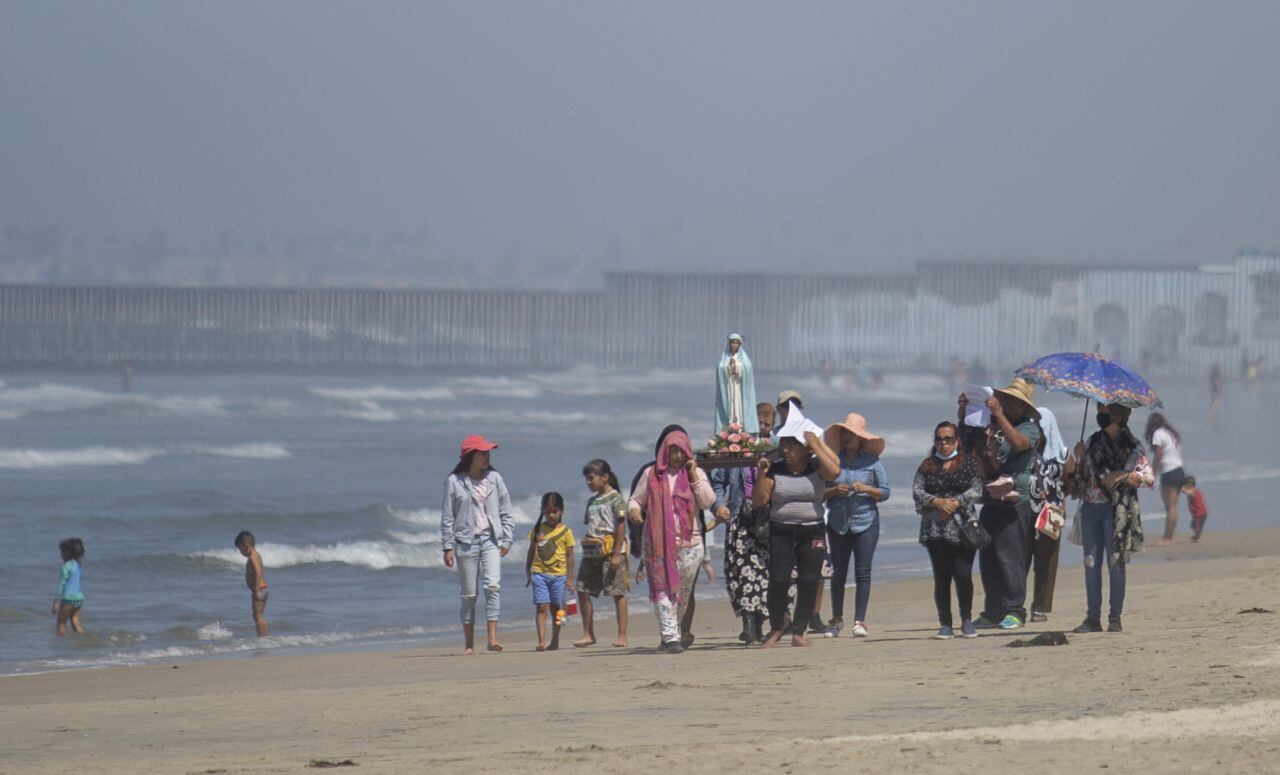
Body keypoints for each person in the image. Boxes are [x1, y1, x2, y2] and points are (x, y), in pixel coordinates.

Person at [959, 377, 1042, 630]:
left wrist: (998, 415)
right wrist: (964, 413)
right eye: (1005, 400)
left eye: (1012, 402)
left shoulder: (1030, 428)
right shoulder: (995, 426)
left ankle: (1015, 609)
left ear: (1024, 407)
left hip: (1018, 499)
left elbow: (1018, 443)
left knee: (1011, 555)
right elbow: (971, 444)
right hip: (993, 496)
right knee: (989, 556)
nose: (1006, 404)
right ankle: (993, 610)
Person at [752, 418, 841, 648]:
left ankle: (799, 631)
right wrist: (761, 474)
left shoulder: (816, 467)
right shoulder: (775, 468)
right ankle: (778, 624)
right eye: (784, 445)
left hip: (812, 531)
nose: (786, 450)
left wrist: (816, 444)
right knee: (778, 579)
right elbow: (760, 500)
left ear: (805, 449)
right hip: (781, 530)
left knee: (810, 579)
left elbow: (835, 471)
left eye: (792, 445)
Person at [1065, 403, 1153, 634]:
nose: (1103, 414)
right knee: (1091, 564)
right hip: (1091, 509)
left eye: (1108, 410)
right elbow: (1082, 479)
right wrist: (1079, 457)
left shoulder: (1132, 446)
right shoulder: (1093, 442)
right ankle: (1092, 618)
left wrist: (1123, 475)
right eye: (1101, 408)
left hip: (1117, 511)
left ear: (1122, 414)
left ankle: (1115, 617)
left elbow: (1146, 478)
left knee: (1116, 563)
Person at [628, 427, 717, 653]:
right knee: (663, 591)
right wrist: (634, 511)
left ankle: (671, 633)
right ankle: (671, 638)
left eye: (681, 450)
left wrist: (695, 476)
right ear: (664, 451)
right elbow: (636, 500)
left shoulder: (696, 474)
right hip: (658, 544)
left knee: (682, 594)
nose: (677, 455)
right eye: (672, 450)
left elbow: (708, 501)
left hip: (692, 545)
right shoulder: (651, 474)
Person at [441, 434, 515, 655]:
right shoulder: (454, 482)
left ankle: (492, 638)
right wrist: (447, 546)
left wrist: (507, 538)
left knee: (493, 586)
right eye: (482, 453)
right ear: (470, 456)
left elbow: (506, 511)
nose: (487, 456)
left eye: (488, 453)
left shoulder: (495, 478)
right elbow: (447, 516)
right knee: (469, 594)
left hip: (491, 539)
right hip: (466, 541)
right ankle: (469, 643)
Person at [712, 402, 780, 644]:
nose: (762, 428)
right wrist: (719, 504)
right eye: (758, 423)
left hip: (768, 518)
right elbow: (718, 480)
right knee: (741, 571)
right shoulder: (737, 448)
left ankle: (760, 623)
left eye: (767, 424)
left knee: (764, 572)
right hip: (741, 515)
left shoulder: (777, 448)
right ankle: (748, 623)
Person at [821, 412, 890, 638]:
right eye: (845, 433)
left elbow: (885, 492)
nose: (847, 437)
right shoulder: (832, 459)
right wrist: (833, 491)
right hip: (837, 523)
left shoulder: (872, 462)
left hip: (866, 522)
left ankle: (859, 621)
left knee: (863, 572)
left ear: (861, 438)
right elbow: (818, 492)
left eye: (852, 434)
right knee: (837, 573)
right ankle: (837, 619)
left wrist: (867, 489)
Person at [914, 422, 983, 639]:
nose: (944, 443)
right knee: (941, 576)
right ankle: (945, 623)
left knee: (963, 574)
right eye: (940, 439)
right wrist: (937, 502)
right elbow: (917, 491)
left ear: (957, 441)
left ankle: (966, 620)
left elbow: (977, 489)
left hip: (964, 526)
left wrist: (954, 502)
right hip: (935, 528)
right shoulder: (927, 465)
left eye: (949, 439)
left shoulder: (968, 463)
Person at [574, 460, 629, 648]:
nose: (589, 483)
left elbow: (621, 526)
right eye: (586, 480)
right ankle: (588, 633)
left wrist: (615, 554)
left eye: (591, 478)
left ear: (604, 477)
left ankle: (622, 635)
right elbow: (592, 526)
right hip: (592, 552)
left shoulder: (616, 498)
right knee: (582, 589)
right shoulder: (592, 501)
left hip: (612, 551)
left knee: (617, 592)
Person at [1028, 406, 1068, 623]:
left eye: (1039, 427)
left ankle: (1040, 607)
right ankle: (1016, 607)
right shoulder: (1025, 450)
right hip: (1027, 511)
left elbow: (1071, 481)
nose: (1036, 431)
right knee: (1021, 559)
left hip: (1052, 513)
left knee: (1047, 561)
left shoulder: (1062, 454)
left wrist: (1058, 498)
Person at [525, 492, 575, 652]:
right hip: (539, 573)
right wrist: (528, 570)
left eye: (554, 511)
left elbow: (570, 556)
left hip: (559, 576)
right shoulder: (538, 530)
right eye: (547, 512)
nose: (551, 515)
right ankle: (541, 641)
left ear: (561, 511)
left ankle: (555, 640)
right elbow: (531, 551)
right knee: (541, 606)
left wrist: (570, 578)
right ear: (542, 512)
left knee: (557, 609)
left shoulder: (566, 532)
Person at [1146, 413, 1185, 546]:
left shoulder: (1158, 434)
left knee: (1170, 507)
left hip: (1169, 471)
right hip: (1179, 470)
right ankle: (1169, 536)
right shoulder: (1170, 433)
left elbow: (1158, 455)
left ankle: (1167, 538)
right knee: (1173, 507)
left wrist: (1153, 471)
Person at [715, 333, 759, 434]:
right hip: (728, 387)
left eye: (736, 343)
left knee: (738, 408)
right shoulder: (724, 358)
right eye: (732, 343)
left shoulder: (743, 359)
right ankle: (728, 427)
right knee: (730, 407)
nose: (734, 345)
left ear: (739, 344)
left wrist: (737, 367)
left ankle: (740, 427)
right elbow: (720, 369)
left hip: (739, 387)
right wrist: (727, 368)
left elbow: (747, 368)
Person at [234, 531, 268, 636]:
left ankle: (263, 638)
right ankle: (262, 636)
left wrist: (256, 590)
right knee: (258, 615)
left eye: (241, 550)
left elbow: (258, 572)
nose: (241, 553)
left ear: (246, 546)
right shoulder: (256, 554)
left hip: (259, 589)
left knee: (258, 616)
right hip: (262, 588)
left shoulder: (252, 557)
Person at [52, 538, 85, 636]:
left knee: (61, 624)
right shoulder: (78, 565)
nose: (60, 555)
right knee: (75, 622)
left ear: (67, 553)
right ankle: (82, 639)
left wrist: (56, 601)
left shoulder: (66, 566)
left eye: (61, 552)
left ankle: (61, 647)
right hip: (79, 597)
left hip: (67, 599)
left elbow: (61, 584)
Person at [1181, 476, 1209, 542]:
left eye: (1185, 484)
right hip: (1196, 513)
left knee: (1197, 526)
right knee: (1193, 526)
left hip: (1201, 513)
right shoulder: (1195, 490)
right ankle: (1197, 536)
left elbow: (1186, 492)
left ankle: (1197, 537)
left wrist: (1181, 488)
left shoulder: (1192, 491)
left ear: (1189, 484)